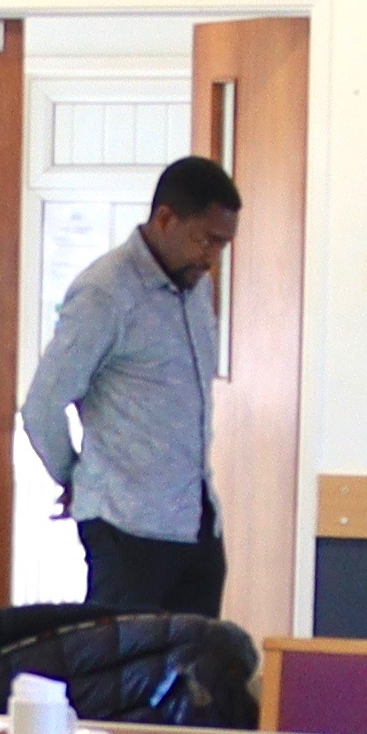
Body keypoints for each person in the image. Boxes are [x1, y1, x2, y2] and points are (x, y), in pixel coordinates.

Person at [20, 155, 243, 617]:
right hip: (127, 524)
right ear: (165, 220)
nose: (212, 258)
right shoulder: (105, 293)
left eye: (223, 246)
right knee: (116, 676)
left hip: (195, 518)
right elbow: (43, 404)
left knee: (195, 673)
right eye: (206, 241)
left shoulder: (195, 285)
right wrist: (76, 478)